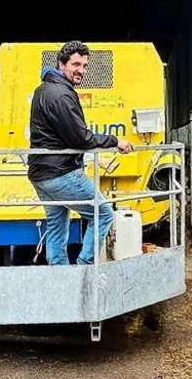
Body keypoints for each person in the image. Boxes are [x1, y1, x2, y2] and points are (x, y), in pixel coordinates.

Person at [28, 41, 134, 265]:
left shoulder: (42, 90)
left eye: (84, 65)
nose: (81, 70)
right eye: (76, 64)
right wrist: (116, 140)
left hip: (40, 173)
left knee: (57, 224)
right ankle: (85, 268)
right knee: (103, 214)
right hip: (61, 172)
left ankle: (61, 278)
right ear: (61, 64)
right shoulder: (62, 95)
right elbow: (81, 138)